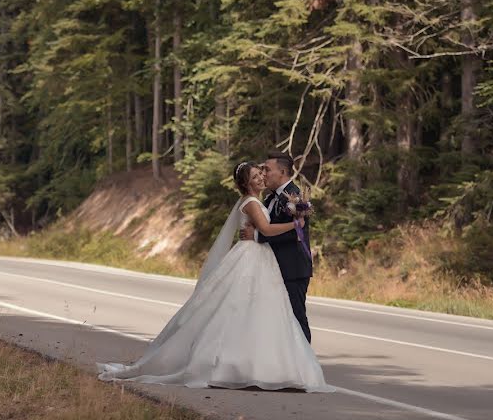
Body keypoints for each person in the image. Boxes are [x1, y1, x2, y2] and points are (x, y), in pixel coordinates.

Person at [96, 161, 332, 392]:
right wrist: (295, 224)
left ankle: (271, 366)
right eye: (255, 176)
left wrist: (285, 226)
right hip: (252, 258)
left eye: (262, 173)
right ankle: (236, 365)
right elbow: (268, 229)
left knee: (268, 313)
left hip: (266, 260)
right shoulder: (251, 202)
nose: (261, 176)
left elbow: (263, 231)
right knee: (241, 310)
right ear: (246, 183)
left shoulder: (271, 198)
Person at [240, 151, 313, 342]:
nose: (263, 173)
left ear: (282, 172)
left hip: (292, 268)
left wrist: (256, 235)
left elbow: (294, 233)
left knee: (296, 320)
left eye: (267, 169)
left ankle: (305, 368)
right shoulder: (269, 198)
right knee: (279, 321)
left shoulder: (296, 198)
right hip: (272, 269)